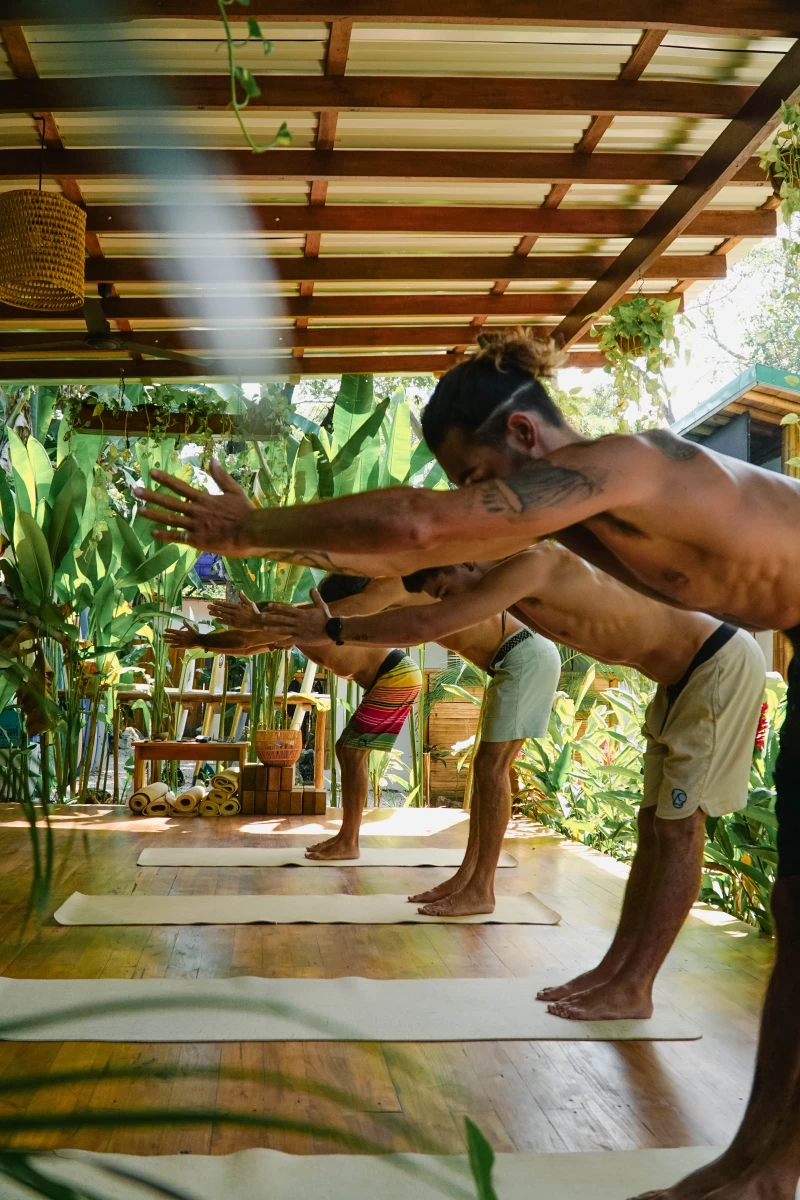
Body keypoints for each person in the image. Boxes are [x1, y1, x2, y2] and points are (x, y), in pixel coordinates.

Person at [133, 327, 800, 1200]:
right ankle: (763, 1168)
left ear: (522, 436)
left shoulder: (632, 465)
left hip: (722, 659)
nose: (468, 503)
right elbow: (411, 554)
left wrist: (253, 527)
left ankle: (751, 1153)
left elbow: (416, 524)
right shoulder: (582, 516)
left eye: (470, 477)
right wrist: (308, 596)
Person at [258, 544, 766, 1021]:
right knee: (653, 825)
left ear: (468, 562)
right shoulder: (508, 584)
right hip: (679, 680)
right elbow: (396, 611)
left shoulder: (531, 562)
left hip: (715, 663)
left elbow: (422, 621)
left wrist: (332, 625)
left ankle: (635, 986)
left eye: (445, 587)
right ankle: (615, 972)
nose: (449, 601)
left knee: (678, 831)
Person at [215, 563, 561, 917]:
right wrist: (251, 627)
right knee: (487, 770)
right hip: (514, 659)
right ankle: (468, 880)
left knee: (491, 769)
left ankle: (480, 889)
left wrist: (261, 619)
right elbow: (341, 619)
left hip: (523, 655)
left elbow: (343, 614)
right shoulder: (402, 583)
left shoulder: (392, 582)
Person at [165, 573, 422, 861]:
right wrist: (203, 642)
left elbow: (243, 638)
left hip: (396, 674)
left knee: (350, 753)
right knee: (348, 751)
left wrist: (198, 639)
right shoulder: (301, 628)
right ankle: (346, 839)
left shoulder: (305, 619)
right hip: (394, 675)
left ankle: (349, 842)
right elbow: (248, 646)